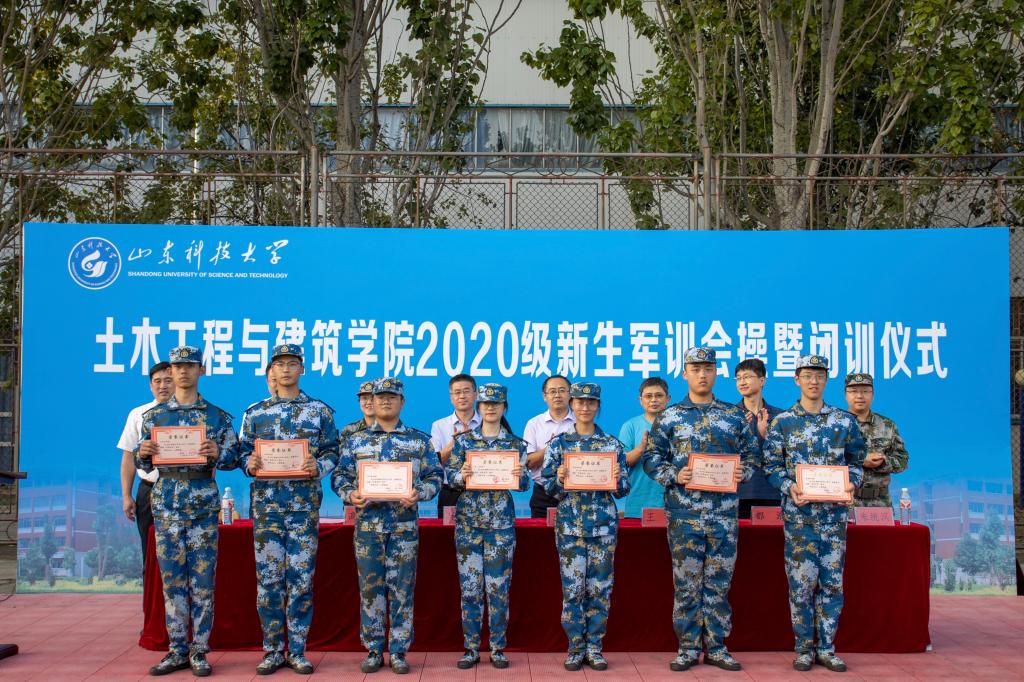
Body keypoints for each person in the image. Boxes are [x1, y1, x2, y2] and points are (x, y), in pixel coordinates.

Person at [643, 347, 759, 672]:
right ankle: (688, 647)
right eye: (695, 369)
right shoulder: (670, 416)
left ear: (716, 372)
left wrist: (744, 472)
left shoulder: (734, 416)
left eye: (708, 368)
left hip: (723, 514)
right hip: (684, 514)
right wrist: (674, 474)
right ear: (685, 374)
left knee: (719, 583)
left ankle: (717, 647)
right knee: (687, 584)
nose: (702, 374)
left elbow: (752, 455)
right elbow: (652, 458)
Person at [135, 346, 239, 677]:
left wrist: (218, 452)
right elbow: (142, 461)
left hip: (202, 501)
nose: (183, 371)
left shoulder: (216, 417)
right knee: (172, 580)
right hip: (166, 501)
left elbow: (234, 458)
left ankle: (199, 650)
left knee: (203, 580)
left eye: (190, 366)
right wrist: (143, 452)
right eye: (177, 366)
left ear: (201, 370)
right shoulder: (154, 417)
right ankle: (177, 649)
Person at [238, 344, 340, 675]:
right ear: (271, 370)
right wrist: (249, 463)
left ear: (301, 369)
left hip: (302, 508)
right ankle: (272, 650)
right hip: (267, 508)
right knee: (268, 581)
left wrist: (318, 466)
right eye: (280, 364)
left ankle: (297, 649)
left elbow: (334, 451)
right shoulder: (255, 413)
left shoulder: (319, 411)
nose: (285, 369)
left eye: (292, 363)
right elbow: (240, 452)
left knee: (301, 580)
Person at [331, 377, 442, 675]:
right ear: (373, 401)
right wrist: (350, 494)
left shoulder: (419, 441)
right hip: (368, 528)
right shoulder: (356, 441)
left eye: (392, 397)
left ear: (402, 402)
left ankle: (399, 650)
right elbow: (340, 476)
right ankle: (373, 648)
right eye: (380, 397)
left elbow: (435, 476)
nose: (385, 401)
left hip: (404, 528)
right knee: (370, 588)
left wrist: (420, 492)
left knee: (402, 589)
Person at [763, 355, 866, 673]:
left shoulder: (844, 422)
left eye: (819, 375)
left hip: (834, 519)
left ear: (826, 379)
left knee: (832, 585)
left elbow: (856, 463)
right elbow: (771, 466)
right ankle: (804, 648)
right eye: (807, 375)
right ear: (797, 379)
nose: (813, 381)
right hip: (800, 518)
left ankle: (827, 648)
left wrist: (852, 483)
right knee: (801, 585)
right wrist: (788, 486)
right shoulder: (783, 422)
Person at [539, 382, 629, 672]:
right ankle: (576, 647)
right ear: (572, 405)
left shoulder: (612, 445)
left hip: (603, 527)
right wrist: (559, 478)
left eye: (591, 402)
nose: (585, 407)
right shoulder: (559, 445)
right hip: (570, 528)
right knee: (573, 590)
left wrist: (617, 478)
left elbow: (623, 490)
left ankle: (595, 647)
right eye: (580, 402)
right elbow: (550, 488)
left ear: (598, 406)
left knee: (600, 589)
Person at [446, 383, 529, 670]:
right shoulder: (463, 442)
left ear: (504, 407)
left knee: (498, 589)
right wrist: (461, 474)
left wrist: (520, 475)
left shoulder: (516, 444)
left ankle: (497, 647)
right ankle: (471, 648)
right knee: (470, 589)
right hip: (469, 524)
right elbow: (450, 478)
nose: (490, 408)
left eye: (496, 404)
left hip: (500, 526)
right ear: (478, 407)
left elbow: (524, 485)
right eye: (485, 404)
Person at [117, 362, 173, 576]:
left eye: (168, 380)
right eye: (157, 381)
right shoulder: (138, 414)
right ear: (150, 385)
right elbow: (128, 457)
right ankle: (152, 596)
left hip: (182, 489)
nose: (163, 386)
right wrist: (126, 495)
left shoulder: (191, 414)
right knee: (149, 552)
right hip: (149, 490)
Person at [844, 373, 909, 508]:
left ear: (872, 395)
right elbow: (824, 461)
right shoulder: (835, 425)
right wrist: (860, 460)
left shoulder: (887, 425)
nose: (859, 396)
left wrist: (882, 463)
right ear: (846, 395)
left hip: (880, 502)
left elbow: (902, 460)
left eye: (865, 391)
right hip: (845, 502)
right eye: (854, 391)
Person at [733, 358, 783, 517]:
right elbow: (723, 454)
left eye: (747, 377)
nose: (742, 382)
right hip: (738, 492)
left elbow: (788, 457)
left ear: (762, 381)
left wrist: (765, 436)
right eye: (738, 378)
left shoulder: (780, 417)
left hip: (772, 492)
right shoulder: (729, 416)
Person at [523, 375, 575, 518]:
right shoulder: (534, 424)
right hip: (543, 494)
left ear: (570, 394)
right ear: (544, 396)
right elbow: (528, 463)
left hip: (575, 494)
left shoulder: (580, 422)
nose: (557, 395)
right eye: (552, 391)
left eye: (562, 390)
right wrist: (552, 447)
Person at [430, 374, 481, 517]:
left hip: (482, 491)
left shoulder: (487, 423)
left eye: (466, 391)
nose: (462, 396)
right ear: (451, 397)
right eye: (457, 392)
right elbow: (433, 463)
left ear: (476, 394)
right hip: (451, 492)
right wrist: (455, 445)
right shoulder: (439, 425)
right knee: (448, 531)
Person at [618, 377, 670, 518]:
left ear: (668, 399)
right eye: (648, 396)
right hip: (638, 503)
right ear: (640, 400)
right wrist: (640, 449)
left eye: (659, 395)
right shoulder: (630, 426)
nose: (654, 400)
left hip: (673, 504)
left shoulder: (677, 426)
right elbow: (622, 462)